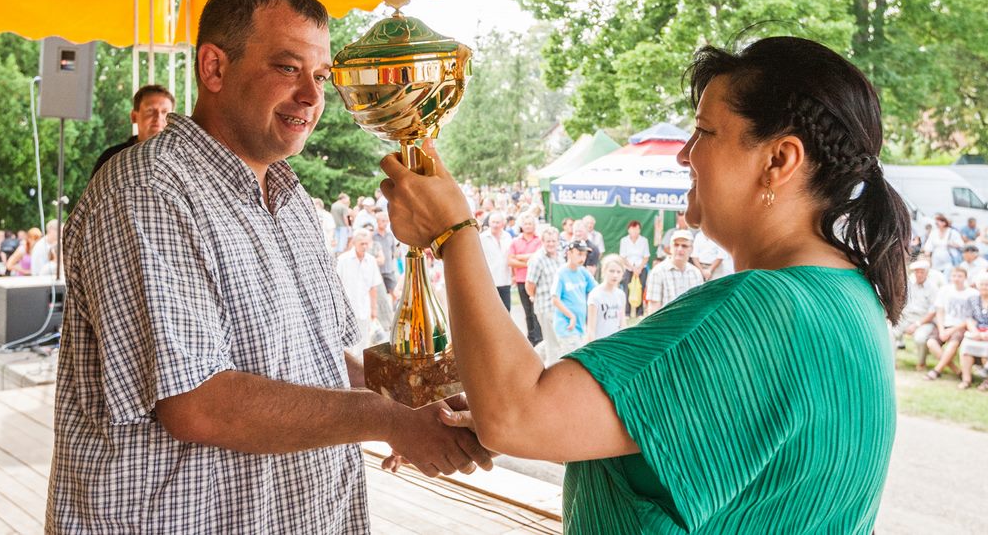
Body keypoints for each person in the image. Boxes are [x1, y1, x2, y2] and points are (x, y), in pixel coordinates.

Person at [378, 35, 909, 533]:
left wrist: (454, 234)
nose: (685, 153)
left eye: (705, 133)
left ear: (778, 160)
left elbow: (515, 415)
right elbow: (714, 454)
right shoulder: (851, 297)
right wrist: (559, 421)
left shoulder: (767, 308)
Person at [48, 0, 491, 533]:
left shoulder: (293, 198)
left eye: (321, 76)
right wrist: (390, 420)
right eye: (287, 68)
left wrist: (416, 401)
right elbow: (198, 403)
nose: (311, 95)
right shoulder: (148, 188)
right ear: (214, 68)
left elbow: (319, 359)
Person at [91, 84, 175, 177]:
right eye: (150, 111)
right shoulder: (111, 158)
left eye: (165, 112)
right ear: (134, 116)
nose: (158, 117)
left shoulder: (180, 158)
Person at [925, 267, 977, 380]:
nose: (956, 278)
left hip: (961, 326)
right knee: (931, 342)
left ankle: (936, 370)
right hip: (944, 325)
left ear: (965, 278)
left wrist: (952, 330)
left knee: (953, 344)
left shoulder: (973, 293)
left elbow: (971, 318)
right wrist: (942, 330)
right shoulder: (945, 290)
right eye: (954, 276)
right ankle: (957, 370)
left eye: (960, 276)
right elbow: (939, 312)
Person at [337, 229, 382, 358]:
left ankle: (361, 367)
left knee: (363, 343)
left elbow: (373, 287)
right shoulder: (343, 260)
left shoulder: (371, 261)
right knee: (347, 346)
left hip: (364, 309)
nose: (364, 246)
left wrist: (374, 309)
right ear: (354, 243)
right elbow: (337, 286)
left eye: (366, 243)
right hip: (346, 310)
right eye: (362, 243)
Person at [957, 272, 988, 390]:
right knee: (966, 347)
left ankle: (987, 381)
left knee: (987, 349)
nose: (984, 287)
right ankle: (966, 379)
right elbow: (968, 318)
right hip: (975, 333)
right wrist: (975, 332)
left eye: (987, 284)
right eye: (982, 284)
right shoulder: (971, 299)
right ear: (978, 285)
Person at [550, 239, 597, 356]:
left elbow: (596, 290)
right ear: (569, 253)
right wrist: (571, 316)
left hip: (580, 327)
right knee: (574, 358)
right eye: (579, 254)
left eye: (584, 255)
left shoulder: (583, 272)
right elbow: (555, 299)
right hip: (567, 327)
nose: (582, 258)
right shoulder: (561, 273)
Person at [525, 226, 564, 365]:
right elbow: (529, 284)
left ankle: (530, 359)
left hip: (560, 307)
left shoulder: (560, 256)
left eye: (554, 241)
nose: (551, 244)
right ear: (542, 241)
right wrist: (534, 297)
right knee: (553, 344)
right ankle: (552, 369)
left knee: (554, 340)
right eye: (548, 241)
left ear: (558, 241)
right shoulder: (537, 259)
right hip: (545, 306)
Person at [895, 259, 942, 369]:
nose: (919, 274)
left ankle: (921, 364)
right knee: (891, 332)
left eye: (922, 272)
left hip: (924, 319)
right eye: (917, 272)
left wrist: (917, 324)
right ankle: (891, 362)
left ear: (927, 273)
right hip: (906, 317)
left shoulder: (933, 288)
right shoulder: (909, 285)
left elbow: (933, 312)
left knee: (920, 338)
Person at [644, 230, 703, 314]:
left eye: (684, 246)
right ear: (670, 247)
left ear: (691, 249)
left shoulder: (696, 273)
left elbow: (699, 304)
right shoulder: (658, 272)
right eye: (676, 245)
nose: (679, 249)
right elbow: (653, 308)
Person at [507, 213, 542, 347]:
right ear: (521, 225)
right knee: (527, 311)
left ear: (534, 225)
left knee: (537, 310)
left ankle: (539, 338)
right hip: (522, 279)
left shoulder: (539, 240)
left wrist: (520, 257)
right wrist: (529, 261)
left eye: (530, 223)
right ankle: (532, 337)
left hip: (537, 280)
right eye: (526, 224)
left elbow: (539, 257)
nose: (528, 226)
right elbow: (510, 261)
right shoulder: (515, 241)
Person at [585, 254, 626, 341]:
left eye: (618, 272)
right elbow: (591, 328)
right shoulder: (595, 295)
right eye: (611, 271)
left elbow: (622, 323)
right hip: (600, 343)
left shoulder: (621, 295)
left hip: (616, 342)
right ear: (604, 271)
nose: (615, 275)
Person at [479, 211, 513, 311]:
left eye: (498, 222)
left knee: (506, 309)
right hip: (489, 281)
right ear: (489, 223)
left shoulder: (507, 237)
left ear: (503, 223)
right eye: (493, 222)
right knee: (491, 310)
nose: (495, 225)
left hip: (505, 280)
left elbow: (511, 256)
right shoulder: (482, 238)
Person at [618, 220, 650, 314]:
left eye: (637, 229)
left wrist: (639, 268)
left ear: (640, 230)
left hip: (641, 268)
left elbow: (646, 256)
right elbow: (623, 257)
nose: (635, 231)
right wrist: (633, 268)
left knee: (641, 288)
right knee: (626, 289)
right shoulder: (624, 240)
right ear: (628, 230)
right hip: (628, 268)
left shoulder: (644, 240)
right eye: (632, 229)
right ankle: (627, 312)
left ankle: (639, 312)